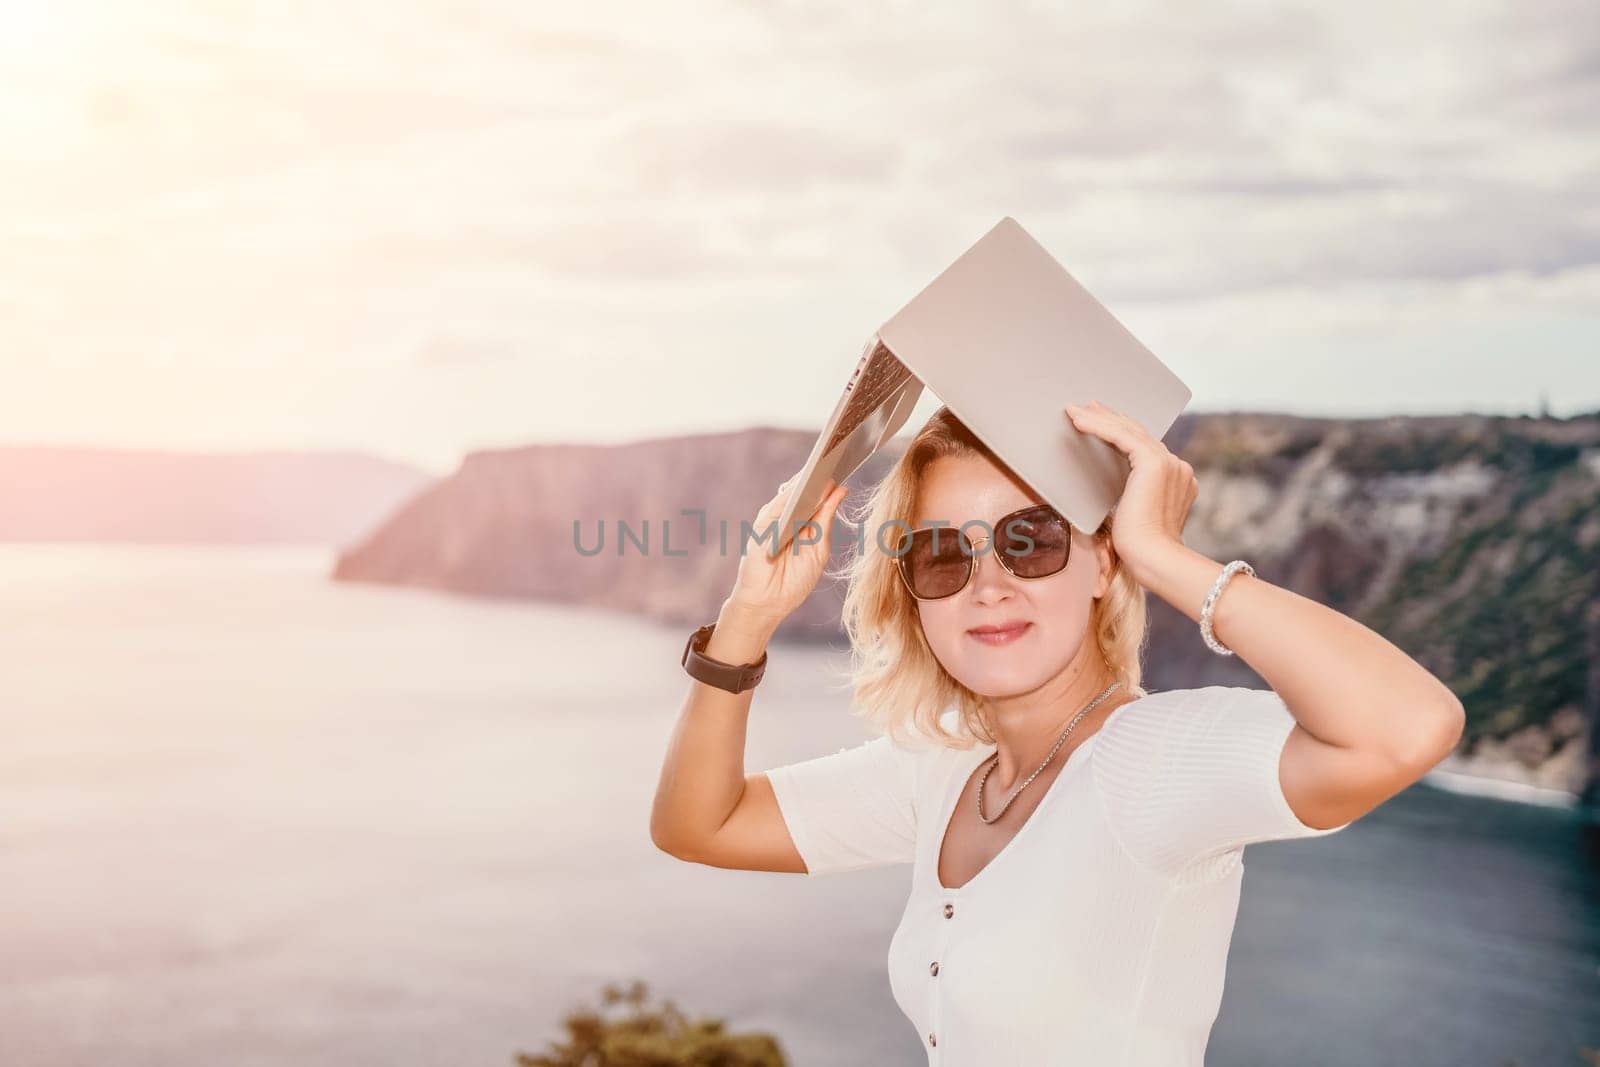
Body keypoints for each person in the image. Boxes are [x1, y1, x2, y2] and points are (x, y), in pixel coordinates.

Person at [649, 401, 1464, 1066]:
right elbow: (698, 824)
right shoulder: (940, 770)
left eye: (1029, 540)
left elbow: (1407, 729)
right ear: (915, 595)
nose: (988, 586)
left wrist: (1163, 553)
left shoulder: (1151, 763)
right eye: (942, 557)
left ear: (1101, 563)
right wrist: (747, 619)